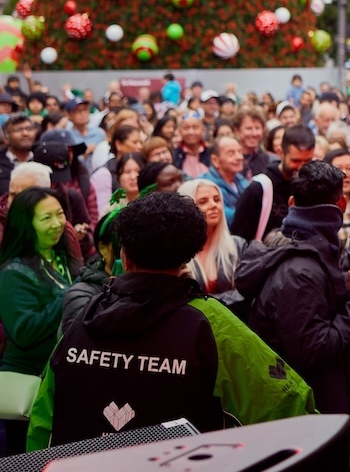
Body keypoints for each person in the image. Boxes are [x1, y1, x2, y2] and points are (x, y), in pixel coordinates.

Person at [26, 191, 317, 451]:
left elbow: (42, 423)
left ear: (125, 256)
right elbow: (285, 403)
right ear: (186, 259)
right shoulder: (213, 323)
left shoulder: (84, 319)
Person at [235, 161, 350, 451]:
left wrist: (349, 298)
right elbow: (314, 349)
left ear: (291, 203)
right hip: (308, 418)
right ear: (342, 204)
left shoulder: (312, 251)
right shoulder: (300, 271)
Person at [0, 187, 76, 453]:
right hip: (28, 384)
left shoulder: (61, 259)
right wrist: (70, 295)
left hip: (56, 381)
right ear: (26, 224)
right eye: (46, 218)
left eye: (60, 214)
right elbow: (24, 332)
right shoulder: (14, 272)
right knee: (24, 458)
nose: (57, 224)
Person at [231, 125, 316, 241]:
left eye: (308, 161)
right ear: (281, 153)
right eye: (296, 161)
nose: (302, 167)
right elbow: (239, 239)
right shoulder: (259, 188)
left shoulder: (313, 186)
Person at [177, 179, 247, 295]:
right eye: (203, 201)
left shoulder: (238, 245)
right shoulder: (176, 253)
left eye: (217, 199)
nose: (213, 205)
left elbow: (247, 293)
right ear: (186, 209)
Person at [204, 136, 249, 228]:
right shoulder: (206, 184)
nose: (239, 157)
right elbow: (225, 216)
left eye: (240, 152)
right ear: (215, 160)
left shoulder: (240, 179)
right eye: (231, 153)